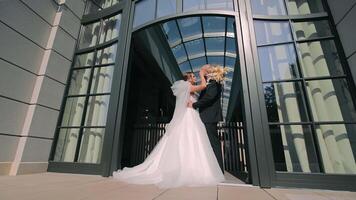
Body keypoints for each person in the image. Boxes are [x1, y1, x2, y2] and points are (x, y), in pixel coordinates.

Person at [112, 65, 225, 188]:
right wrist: (202, 73)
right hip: (189, 114)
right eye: (192, 76)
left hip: (192, 114)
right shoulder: (186, 86)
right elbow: (203, 86)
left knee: (192, 140)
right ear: (187, 79)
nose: (195, 78)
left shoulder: (192, 87)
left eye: (194, 76)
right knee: (189, 139)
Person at [187, 64, 225, 172]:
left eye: (201, 70)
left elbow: (209, 97)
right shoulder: (211, 82)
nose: (200, 73)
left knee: (213, 143)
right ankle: (211, 168)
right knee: (208, 143)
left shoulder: (214, 82)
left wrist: (194, 105)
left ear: (205, 71)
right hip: (207, 116)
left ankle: (218, 170)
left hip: (210, 116)